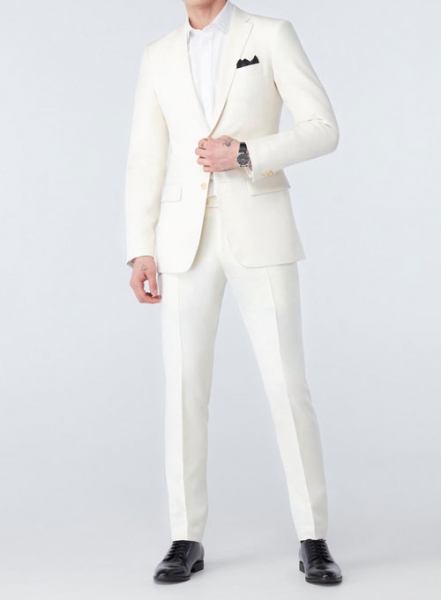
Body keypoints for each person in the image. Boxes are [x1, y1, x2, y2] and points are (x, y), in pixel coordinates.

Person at [124, 0, 343, 586]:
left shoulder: (269, 35)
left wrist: (247, 153)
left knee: (287, 386)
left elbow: (324, 127)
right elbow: (146, 156)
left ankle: (314, 537)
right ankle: (185, 536)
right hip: (183, 241)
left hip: (260, 229)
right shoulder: (158, 55)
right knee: (184, 389)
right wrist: (140, 247)